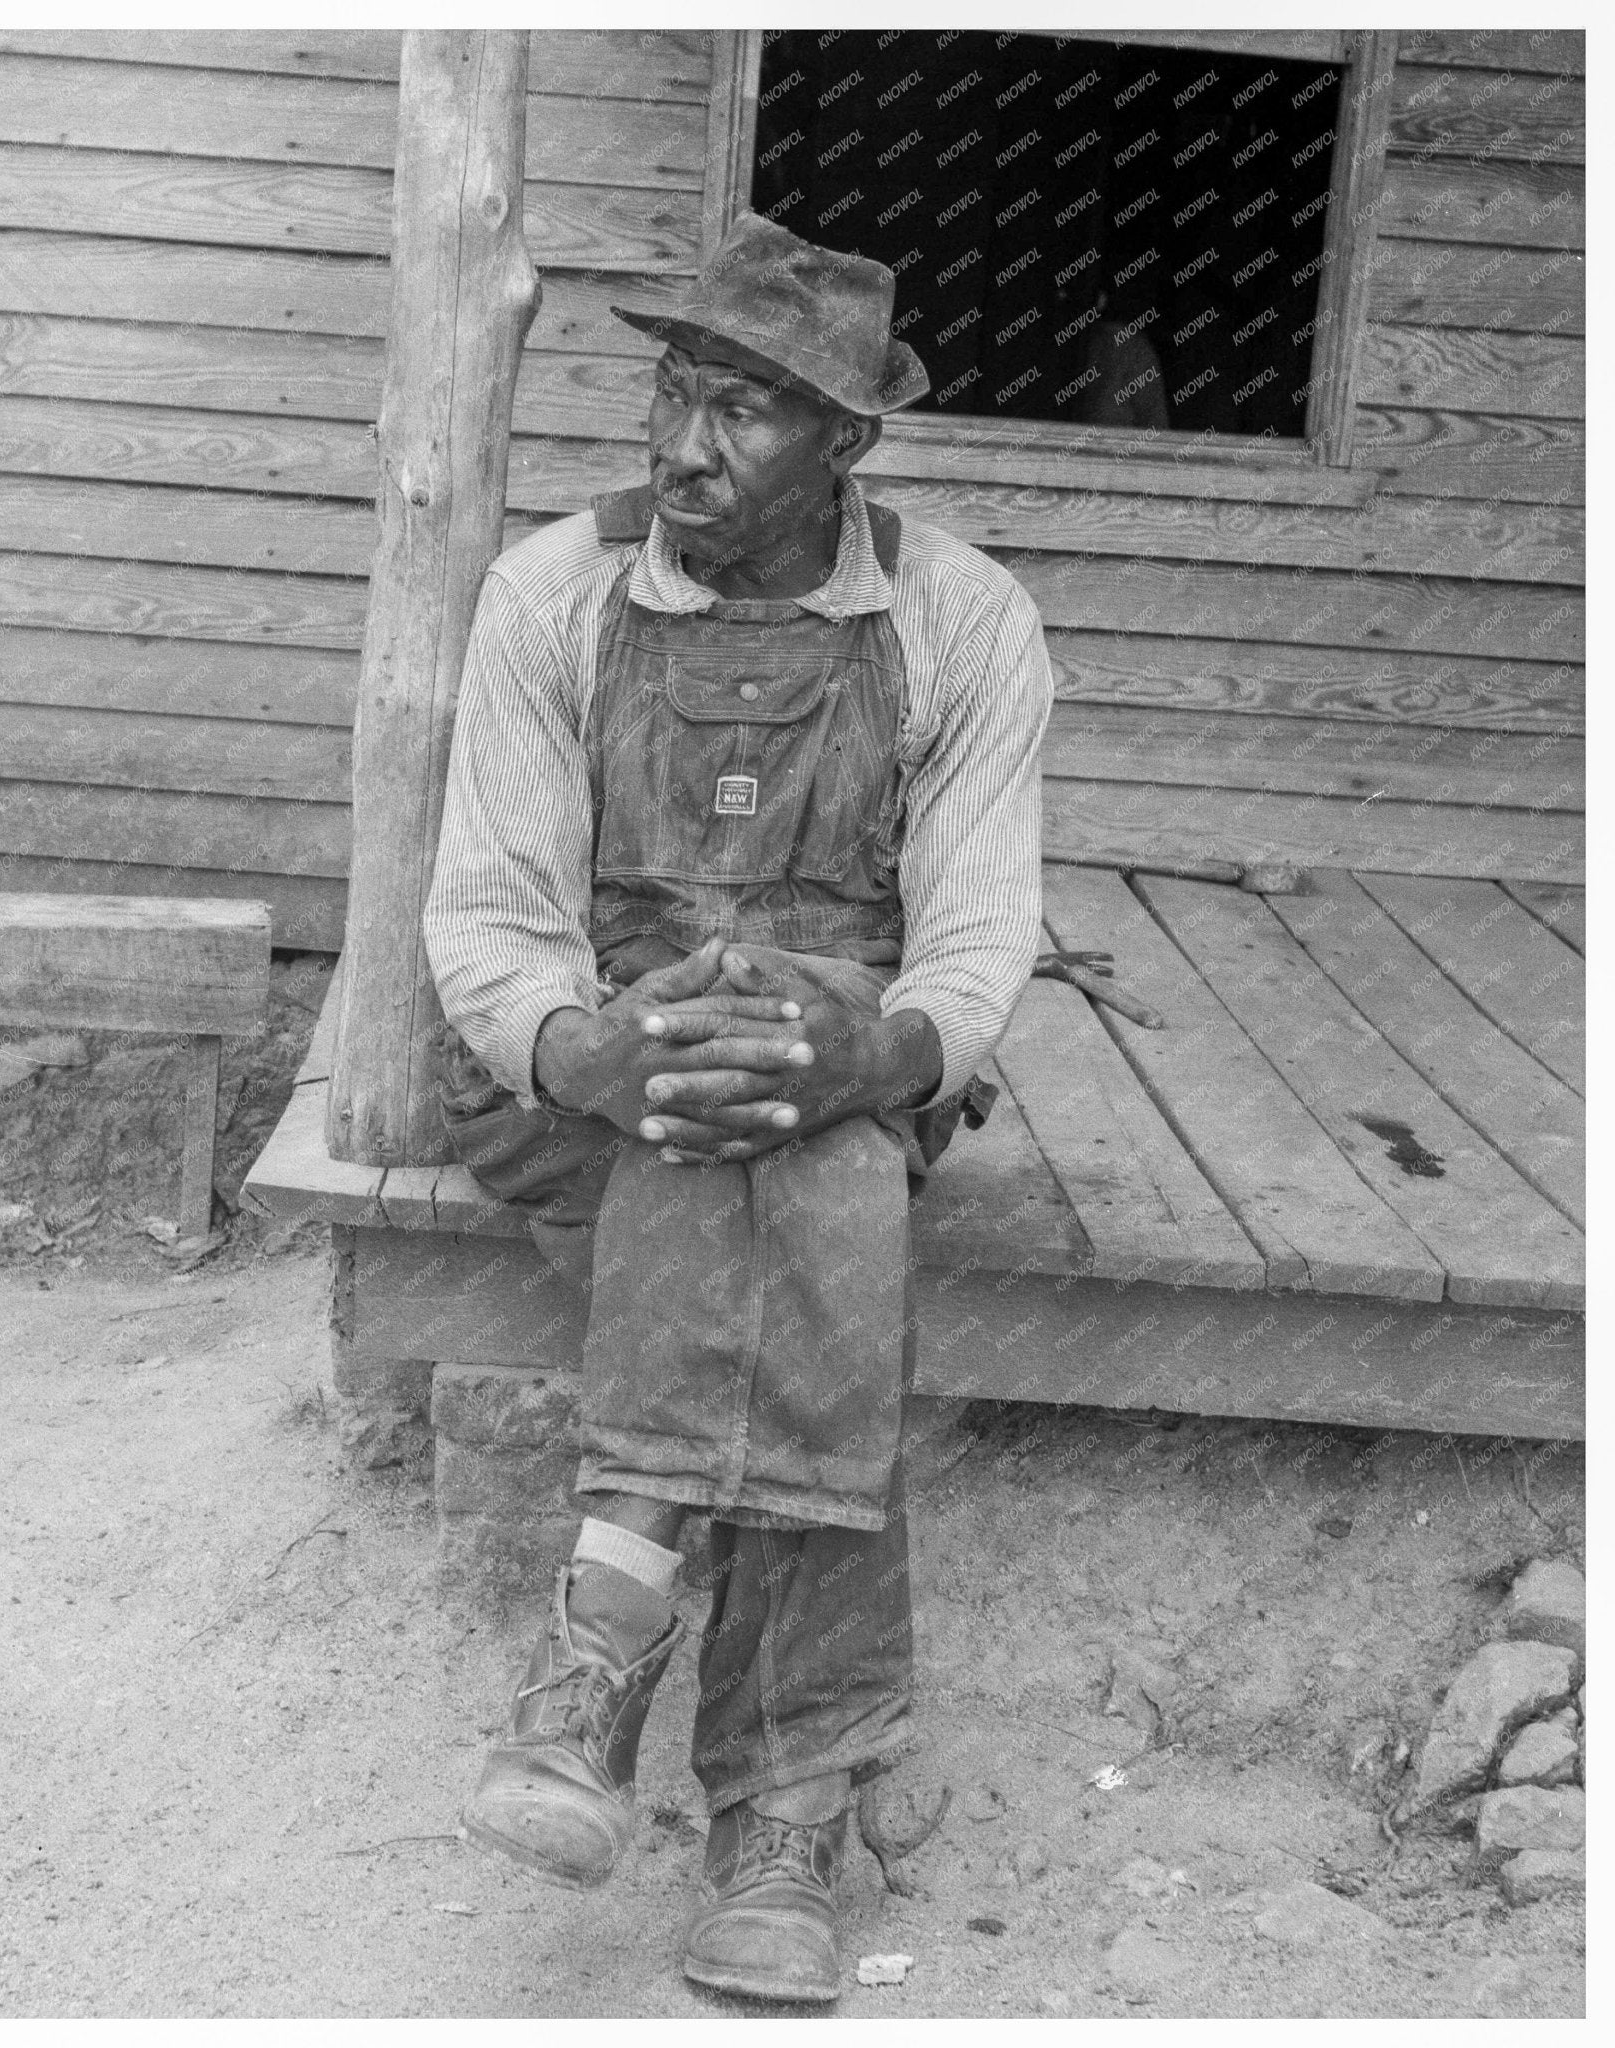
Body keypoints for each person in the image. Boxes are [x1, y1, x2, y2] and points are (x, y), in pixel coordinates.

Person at [421, 211, 1052, 2003]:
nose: (681, 445)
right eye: (671, 389)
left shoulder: (962, 617)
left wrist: (884, 1053)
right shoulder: (556, 593)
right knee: (787, 1182)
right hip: (579, 1076)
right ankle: (785, 1817)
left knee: (817, 1141)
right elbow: (487, 920)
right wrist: (586, 1049)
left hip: (844, 1059)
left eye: (746, 412)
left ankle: (595, 1650)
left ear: (848, 441)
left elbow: (985, 928)